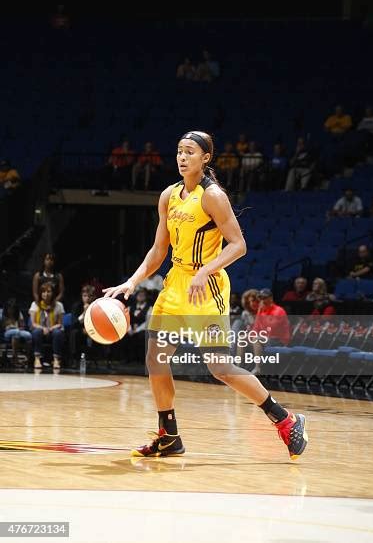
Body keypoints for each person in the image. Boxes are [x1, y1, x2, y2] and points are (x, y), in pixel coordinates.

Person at [103, 130, 308, 460]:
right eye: (179, 151)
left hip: (206, 287)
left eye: (189, 152)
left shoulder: (213, 196)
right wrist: (132, 281)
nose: (182, 157)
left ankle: (285, 419)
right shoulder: (168, 195)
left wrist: (204, 271)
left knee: (220, 368)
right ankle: (169, 436)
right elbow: (159, 249)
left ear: (206, 158)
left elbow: (239, 245)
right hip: (175, 285)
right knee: (156, 358)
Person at [250, 289, 290, 375]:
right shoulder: (262, 310)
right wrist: (250, 336)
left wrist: (262, 311)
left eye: (265, 298)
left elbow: (272, 328)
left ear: (271, 299)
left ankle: (258, 368)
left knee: (257, 339)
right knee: (242, 339)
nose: (262, 300)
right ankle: (238, 368)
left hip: (279, 340)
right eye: (261, 298)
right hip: (266, 338)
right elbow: (256, 327)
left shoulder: (279, 310)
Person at [29, 282, 65, 369]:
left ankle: (56, 359)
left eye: (49, 291)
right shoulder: (35, 304)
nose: (46, 294)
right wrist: (43, 328)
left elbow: (60, 323)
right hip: (40, 329)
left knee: (58, 333)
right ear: (40, 293)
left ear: (53, 293)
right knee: (37, 332)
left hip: (53, 330)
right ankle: (37, 359)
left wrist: (51, 328)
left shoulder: (59, 305)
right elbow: (33, 323)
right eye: (43, 292)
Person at [69, 285, 96, 366]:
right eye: (84, 296)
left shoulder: (97, 306)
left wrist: (89, 329)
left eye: (89, 296)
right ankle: (74, 359)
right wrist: (84, 313)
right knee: (74, 333)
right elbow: (73, 324)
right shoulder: (76, 306)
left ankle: (94, 359)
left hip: (93, 330)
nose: (87, 298)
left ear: (94, 297)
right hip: (79, 329)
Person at [1, 298, 32, 365]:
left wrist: (18, 327)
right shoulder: (3, 314)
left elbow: (22, 326)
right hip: (7, 332)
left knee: (28, 335)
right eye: (10, 308)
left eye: (13, 308)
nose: (11, 310)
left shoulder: (18, 314)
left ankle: (28, 357)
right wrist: (10, 327)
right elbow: (3, 327)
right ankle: (15, 357)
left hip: (18, 330)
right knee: (16, 332)